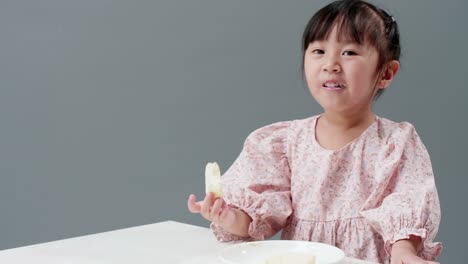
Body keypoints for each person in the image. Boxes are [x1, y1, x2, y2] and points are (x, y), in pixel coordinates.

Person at [187, 0, 442, 263]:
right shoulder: (284, 143)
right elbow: (255, 217)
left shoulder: (394, 143)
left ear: (386, 72)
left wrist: (404, 251)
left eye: (350, 53)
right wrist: (230, 217)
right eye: (319, 50)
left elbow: (406, 202)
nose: (330, 64)